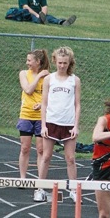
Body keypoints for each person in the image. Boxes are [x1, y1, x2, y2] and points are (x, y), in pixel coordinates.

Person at [37, 46, 80, 203]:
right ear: (55, 61)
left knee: (70, 158)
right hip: (51, 122)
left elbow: (77, 104)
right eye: (60, 62)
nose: (62, 66)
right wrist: (43, 125)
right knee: (46, 156)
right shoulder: (49, 79)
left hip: (68, 124)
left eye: (65, 63)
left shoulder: (74, 80)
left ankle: (74, 189)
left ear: (70, 63)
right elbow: (44, 102)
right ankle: (40, 188)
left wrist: (76, 125)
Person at [17, 48, 50, 191]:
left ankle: (40, 181)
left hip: (41, 117)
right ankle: (22, 178)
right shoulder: (24, 74)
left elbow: (52, 97)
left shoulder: (48, 77)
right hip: (26, 115)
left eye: (30, 60)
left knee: (41, 150)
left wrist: (42, 104)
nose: (27, 63)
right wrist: (38, 76)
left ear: (38, 62)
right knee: (25, 148)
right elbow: (28, 90)